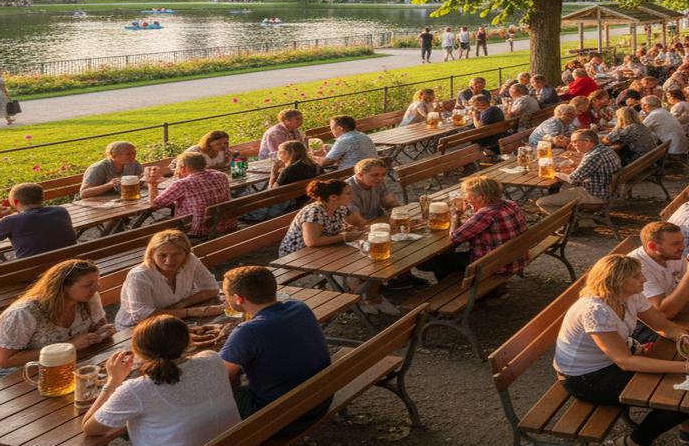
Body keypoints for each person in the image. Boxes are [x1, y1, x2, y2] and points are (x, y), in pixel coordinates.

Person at [553, 254, 689, 446]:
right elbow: (625, 361)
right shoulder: (595, 311)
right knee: (681, 392)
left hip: (613, 362)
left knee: (688, 381)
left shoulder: (630, 295)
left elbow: (663, 327)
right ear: (616, 282)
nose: (643, 279)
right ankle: (634, 443)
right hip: (586, 378)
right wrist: (688, 365)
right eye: (637, 276)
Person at [83, 314, 240, 446]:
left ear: (138, 351)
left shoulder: (136, 389)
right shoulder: (212, 359)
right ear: (188, 342)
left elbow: (91, 429)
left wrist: (113, 381)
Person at [218, 266, 332, 429]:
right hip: (318, 401)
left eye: (225, 294)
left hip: (283, 419)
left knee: (207, 404)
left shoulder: (248, 331)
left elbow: (220, 377)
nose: (225, 299)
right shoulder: (299, 307)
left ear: (238, 298)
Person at [276, 180, 398, 315]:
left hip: (327, 249)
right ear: (333, 197)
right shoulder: (314, 211)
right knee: (359, 265)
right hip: (299, 256)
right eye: (348, 193)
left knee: (373, 260)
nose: (352, 196)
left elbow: (357, 224)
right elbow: (311, 241)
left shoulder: (341, 208)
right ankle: (359, 301)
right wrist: (346, 237)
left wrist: (380, 227)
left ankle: (370, 299)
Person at [0, 259, 114, 382]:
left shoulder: (89, 299)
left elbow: (97, 327)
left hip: (63, 366)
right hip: (15, 378)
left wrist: (100, 333)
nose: (96, 288)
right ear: (63, 287)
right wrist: (70, 345)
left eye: (97, 281)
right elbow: (5, 361)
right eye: (88, 285)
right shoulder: (23, 314)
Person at [417, 176, 527, 280]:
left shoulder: (486, 214)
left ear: (482, 197)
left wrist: (456, 214)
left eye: (469, 196)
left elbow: (455, 237)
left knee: (430, 262)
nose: (467, 200)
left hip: (496, 265)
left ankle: (462, 293)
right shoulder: (510, 204)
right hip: (516, 257)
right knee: (449, 257)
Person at [116, 230, 221, 327]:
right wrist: (189, 312)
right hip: (134, 328)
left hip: (175, 319)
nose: (169, 261)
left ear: (186, 253)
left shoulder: (190, 261)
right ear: (151, 255)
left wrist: (182, 304)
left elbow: (211, 288)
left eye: (176, 254)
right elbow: (142, 316)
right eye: (162, 255)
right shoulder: (139, 276)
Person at [628, 221, 689, 322]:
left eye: (682, 241)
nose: (683, 247)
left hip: (676, 310)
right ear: (652, 247)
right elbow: (664, 314)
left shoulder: (672, 255)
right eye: (675, 243)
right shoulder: (638, 268)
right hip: (645, 326)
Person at [0, 182, 76, 258]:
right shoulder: (61, 211)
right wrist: (13, 214)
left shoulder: (10, 221)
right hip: (68, 269)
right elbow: (35, 219)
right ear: (41, 198)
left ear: (15, 202)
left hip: (35, 277)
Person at [146, 151, 233, 238]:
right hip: (224, 225)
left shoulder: (182, 184)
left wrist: (152, 184)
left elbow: (155, 204)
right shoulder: (221, 176)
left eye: (178, 168)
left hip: (197, 230)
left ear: (183, 169)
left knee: (154, 225)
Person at [537, 129, 622, 215]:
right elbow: (588, 171)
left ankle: (571, 223)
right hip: (605, 190)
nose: (572, 145)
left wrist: (553, 172)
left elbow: (572, 179)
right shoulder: (605, 150)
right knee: (564, 187)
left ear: (587, 141)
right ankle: (582, 219)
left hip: (596, 194)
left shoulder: (593, 156)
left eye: (574, 142)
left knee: (542, 202)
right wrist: (574, 166)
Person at [81, 141, 145, 198]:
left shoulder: (133, 163)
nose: (133, 156)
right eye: (128, 154)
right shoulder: (98, 168)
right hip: (96, 204)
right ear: (113, 156)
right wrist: (109, 184)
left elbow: (142, 179)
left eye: (134, 153)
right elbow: (84, 193)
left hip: (121, 200)